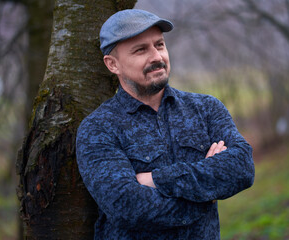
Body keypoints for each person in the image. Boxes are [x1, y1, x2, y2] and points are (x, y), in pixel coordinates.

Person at [76, 9, 254, 240]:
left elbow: (242, 168)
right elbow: (126, 206)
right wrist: (206, 195)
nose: (156, 57)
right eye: (140, 50)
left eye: (159, 45)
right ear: (113, 64)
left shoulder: (206, 108)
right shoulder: (98, 128)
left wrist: (156, 179)